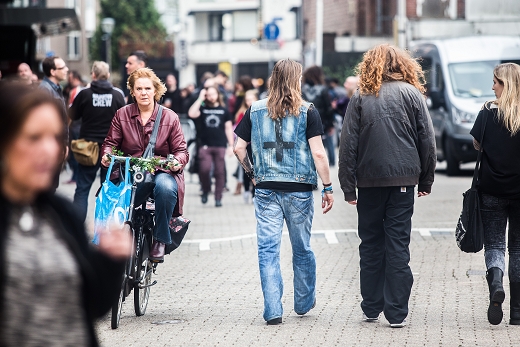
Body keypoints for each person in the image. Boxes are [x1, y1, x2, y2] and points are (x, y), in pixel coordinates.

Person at [0, 83, 132, 345]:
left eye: (56, 137)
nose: (50, 150)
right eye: (34, 137)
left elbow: (92, 306)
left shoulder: (59, 213)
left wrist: (111, 262)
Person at [338, 44, 436, 328]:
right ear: (402, 65)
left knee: (370, 244)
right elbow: (427, 139)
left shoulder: (359, 97)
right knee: (397, 244)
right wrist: (426, 178)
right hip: (404, 182)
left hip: (368, 182)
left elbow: (348, 145)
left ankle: (371, 307)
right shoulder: (412, 94)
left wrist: (348, 187)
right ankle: (396, 312)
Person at [234, 58, 334, 325]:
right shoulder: (308, 111)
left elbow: (238, 148)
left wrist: (253, 175)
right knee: (302, 248)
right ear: (296, 80)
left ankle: (273, 311)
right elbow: (318, 153)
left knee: (267, 250)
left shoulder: (254, 110)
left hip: (266, 189)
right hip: (299, 189)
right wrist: (328, 187)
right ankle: (302, 302)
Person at [101, 67, 189, 262]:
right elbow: (110, 144)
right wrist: (107, 155)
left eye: (147, 88)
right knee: (120, 198)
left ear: (155, 90)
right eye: (139, 89)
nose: (143, 93)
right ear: (132, 91)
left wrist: (176, 162)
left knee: (165, 188)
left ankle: (160, 239)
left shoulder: (170, 117)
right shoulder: (121, 115)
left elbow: (182, 151)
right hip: (131, 171)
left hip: (161, 170)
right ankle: (119, 237)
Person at [469, 62, 520, 326]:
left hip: (491, 189)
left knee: (496, 245)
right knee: (519, 248)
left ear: (506, 84)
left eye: (496, 82)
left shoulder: (487, 112)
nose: (492, 87)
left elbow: (477, 144)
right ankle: (517, 312)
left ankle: (496, 283)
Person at [69, 61, 126, 223]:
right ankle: (105, 231)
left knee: (82, 189)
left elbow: (73, 115)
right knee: (107, 191)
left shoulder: (84, 93)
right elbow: (124, 118)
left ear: (93, 75)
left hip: (88, 149)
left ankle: (77, 230)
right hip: (111, 151)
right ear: (107, 75)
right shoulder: (117, 94)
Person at [188, 85, 234, 207]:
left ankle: (218, 198)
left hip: (220, 145)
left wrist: (231, 145)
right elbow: (191, 113)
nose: (211, 97)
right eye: (208, 95)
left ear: (218, 95)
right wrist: (200, 98)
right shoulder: (202, 109)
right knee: (204, 169)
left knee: (219, 172)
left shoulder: (224, 110)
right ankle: (205, 189)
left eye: (213, 94)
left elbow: (228, 128)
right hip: (204, 145)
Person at [39, 55, 70, 190]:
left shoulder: (56, 88)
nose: (66, 70)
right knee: (48, 187)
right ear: (52, 71)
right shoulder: (44, 90)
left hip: (58, 145)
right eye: (62, 67)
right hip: (50, 146)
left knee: (53, 185)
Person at [302, 66, 336, 166]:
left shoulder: (301, 89)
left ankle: (309, 162)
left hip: (306, 120)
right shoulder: (323, 89)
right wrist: (331, 124)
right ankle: (331, 162)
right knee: (328, 141)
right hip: (322, 120)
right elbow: (328, 108)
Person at [234, 89, 259, 203]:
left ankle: (255, 192)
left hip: (256, 145)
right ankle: (246, 190)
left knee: (256, 167)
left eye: (251, 99)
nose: (249, 102)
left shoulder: (259, 111)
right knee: (246, 168)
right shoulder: (242, 113)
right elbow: (239, 130)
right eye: (247, 100)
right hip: (246, 145)